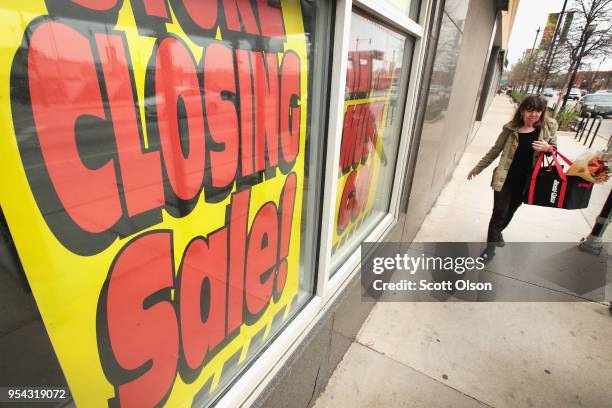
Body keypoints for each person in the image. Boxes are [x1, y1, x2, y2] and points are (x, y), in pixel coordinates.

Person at [467, 95, 558, 262]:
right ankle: (490, 250)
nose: (534, 114)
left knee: (510, 212)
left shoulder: (548, 128)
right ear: (522, 110)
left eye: (538, 111)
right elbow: (495, 151)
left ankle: (497, 233)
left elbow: (555, 152)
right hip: (505, 178)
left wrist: (548, 148)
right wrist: (478, 168)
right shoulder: (510, 129)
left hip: (527, 181)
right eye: (530, 110)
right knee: (499, 213)